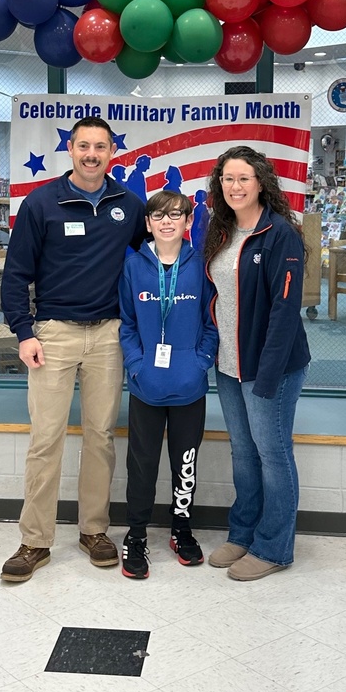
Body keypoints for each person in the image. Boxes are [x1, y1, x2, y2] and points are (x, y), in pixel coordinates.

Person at [0, 117, 146, 582]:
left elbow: (154, 256)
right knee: (46, 439)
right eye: (83, 146)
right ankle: (34, 541)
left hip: (108, 336)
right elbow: (15, 275)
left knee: (101, 437)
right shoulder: (41, 203)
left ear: (111, 153)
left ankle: (94, 531)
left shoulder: (130, 204)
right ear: (71, 150)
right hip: (52, 335)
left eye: (100, 147)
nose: (91, 154)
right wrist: (24, 332)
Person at [204, 145, 310, 581]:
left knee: (273, 453)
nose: (235, 186)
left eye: (243, 178)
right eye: (228, 179)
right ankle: (243, 533)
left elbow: (285, 312)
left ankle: (274, 547)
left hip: (272, 368)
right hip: (229, 365)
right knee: (244, 453)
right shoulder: (221, 230)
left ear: (262, 182)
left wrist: (266, 377)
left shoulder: (279, 234)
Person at [118, 190, 218, 579]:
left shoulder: (200, 266)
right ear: (148, 224)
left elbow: (212, 324)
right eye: (158, 215)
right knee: (141, 464)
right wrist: (136, 364)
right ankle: (137, 534)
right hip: (146, 385)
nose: (167, 222)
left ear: (188, 222)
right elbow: (126, 324)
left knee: (185, 462)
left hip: (189, 385)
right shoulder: (134, 267)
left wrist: (201, 363)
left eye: (176, 215)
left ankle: (181, 528)